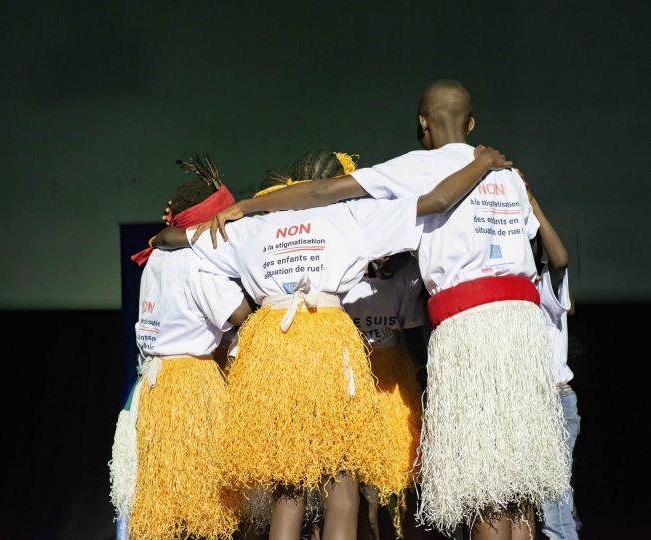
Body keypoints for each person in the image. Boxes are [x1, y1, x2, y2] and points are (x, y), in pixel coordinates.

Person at [188, 79, 569, 539]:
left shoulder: (416, 167)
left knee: (484, 483)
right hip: (524, 331)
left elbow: (323, 193)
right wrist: (486, 161)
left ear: (422, 124)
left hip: (472, 330)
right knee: (518, 481)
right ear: (471, 123)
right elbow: (552, 254)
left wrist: (248, 206)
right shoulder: (507, 174)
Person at [150, 144, 510, 540]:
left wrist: (209, 224)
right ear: (333, 182)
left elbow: (167, 239)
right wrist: (482, 164)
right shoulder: (352, 216)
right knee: (340, 475)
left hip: (272, 349)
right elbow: (437, 200)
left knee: (289, 486)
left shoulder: (250, 226)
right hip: (325, 344)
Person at [108, 156, 252, 540]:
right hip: (192, 388)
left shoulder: (155, 258)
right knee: (202, 503)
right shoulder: (198, 264)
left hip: (155, 389)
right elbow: (240, 315)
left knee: (164, 497)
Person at [341, 252, 424, 540]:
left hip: (390, 383)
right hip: (357, 383)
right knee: (369, 490)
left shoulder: (404, 275)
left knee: (404, 481)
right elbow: (413, 336)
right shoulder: (343, 277)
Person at [523, 174, 580, 540]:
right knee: (532, 505)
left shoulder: (546, 283)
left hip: (554, 401)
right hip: (523, 403)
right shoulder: (501, 292)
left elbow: (560, 257)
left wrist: (530, 202)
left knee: (553, 508)